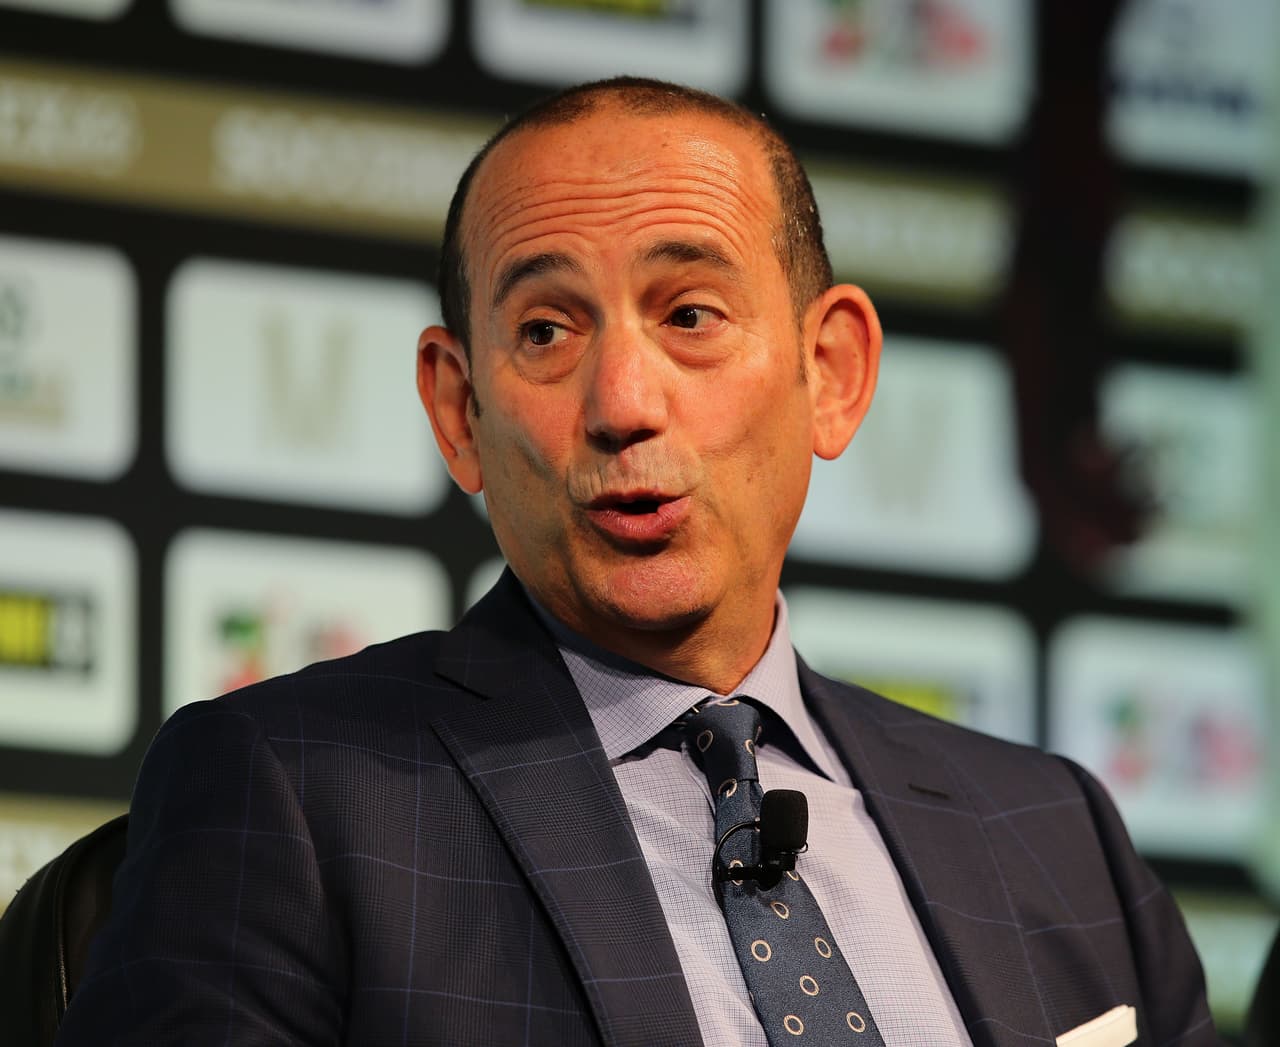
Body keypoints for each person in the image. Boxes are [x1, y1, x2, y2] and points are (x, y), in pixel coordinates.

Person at [56, 77, 1218, 1046]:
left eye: (690, 314)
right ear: (459, 412)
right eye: (547, 332)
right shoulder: (294, 793)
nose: (622, 403)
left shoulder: (1054, 833)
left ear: (832, 373)